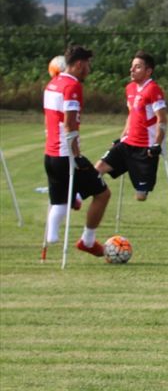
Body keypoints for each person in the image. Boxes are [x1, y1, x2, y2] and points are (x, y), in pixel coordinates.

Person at [42, 45, 111, 258]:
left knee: (60, 200)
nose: (89, 69)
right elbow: (70, 124)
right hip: (66, 156)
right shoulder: (72, 86)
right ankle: (88, 241)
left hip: (50, 156)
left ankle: (51, 237)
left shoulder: (52, 83)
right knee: (103, 194)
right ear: (79, 64)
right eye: (88, 64)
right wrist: (76, 156)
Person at [95, 51, 168, 201]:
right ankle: (88, 195)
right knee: (97, 169)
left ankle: (133, 170)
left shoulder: (153, 90)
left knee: (140, 196)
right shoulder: (130, 88)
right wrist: (122, 137)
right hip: (127, 144)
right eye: (132, 66)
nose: (132, 70)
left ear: (148, 71)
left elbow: (162, 120)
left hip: (145, 149)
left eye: (137, 67)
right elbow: (131, 115)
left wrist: (157, 145)